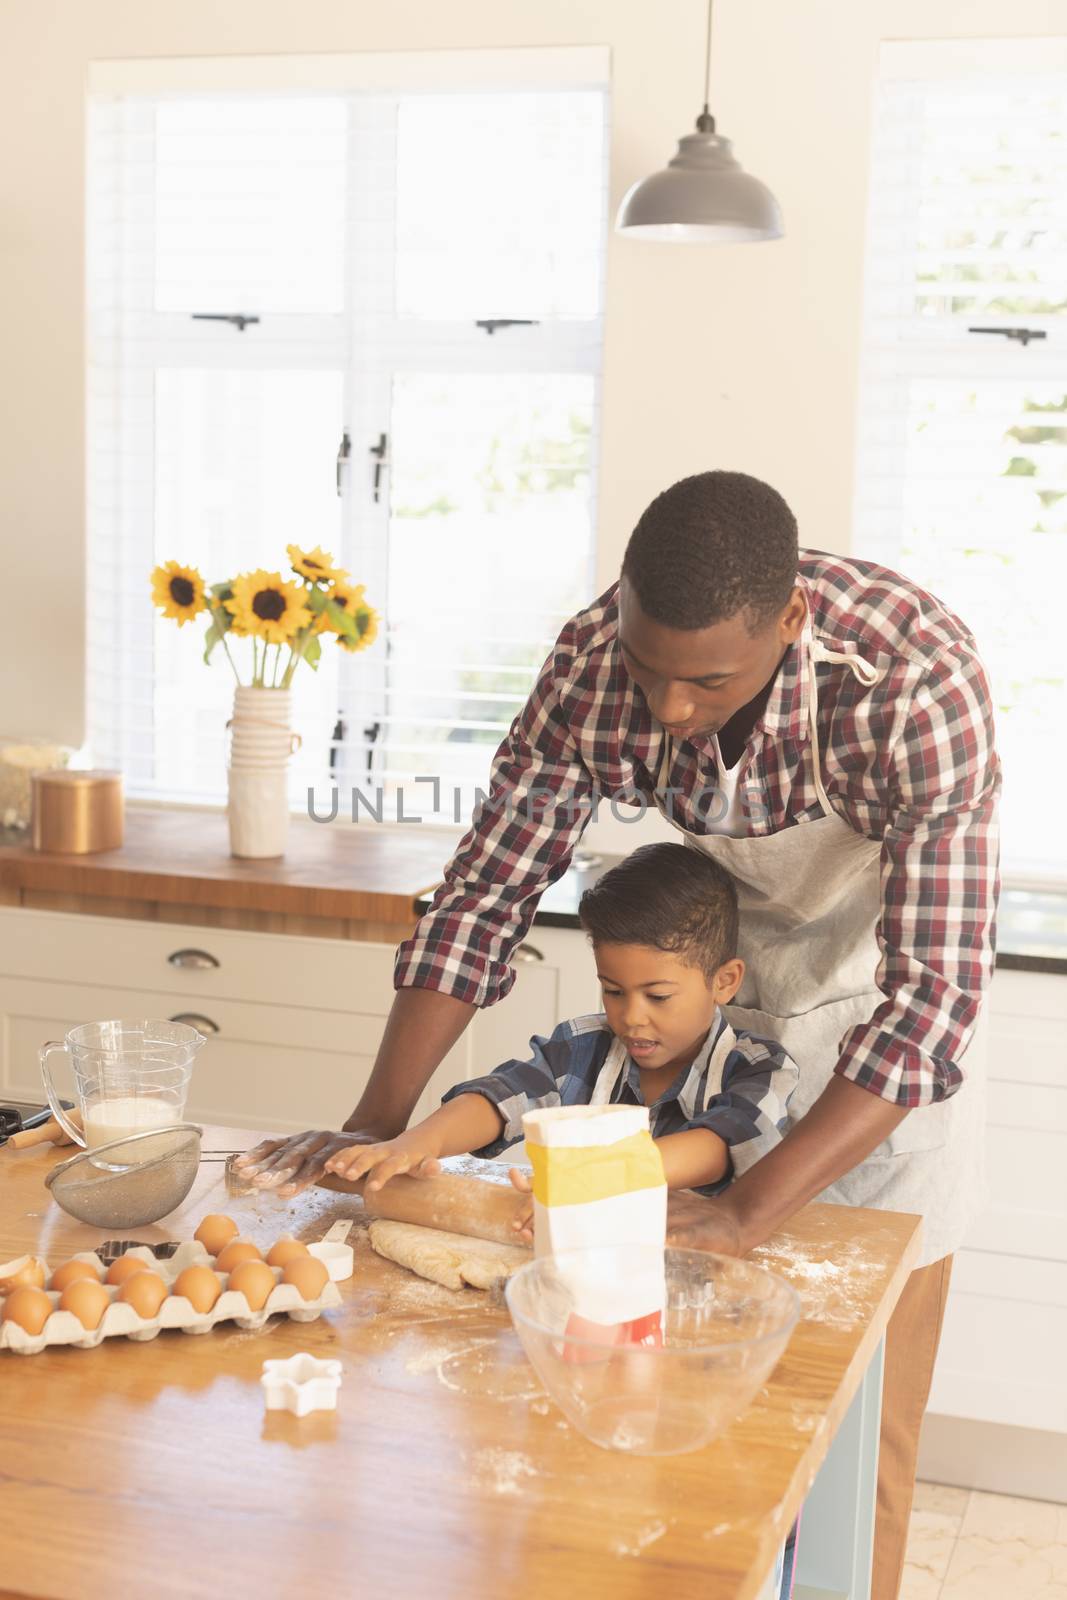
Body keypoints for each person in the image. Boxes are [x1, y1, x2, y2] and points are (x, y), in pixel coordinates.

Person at [236, 470, 1000, 1600]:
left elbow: (931, 996)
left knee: (855, 1439)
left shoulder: (911, 680)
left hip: (867, 1047)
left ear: (788, 623)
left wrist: (746, 1204)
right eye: (650, 673)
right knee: (691, 1427)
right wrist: (374, 1125)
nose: (670, 711)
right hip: (708, 1006)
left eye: (706, 680)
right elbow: (484, 899)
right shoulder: (593, 663)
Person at [322, 843, 798, 1222]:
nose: (631, 1017)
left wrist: (598, 1176)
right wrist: (418, 1142)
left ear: (724, 982)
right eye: (613, 991)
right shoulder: (581, 1050)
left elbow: (720, 1144)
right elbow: (500, 1098)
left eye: (657, 997)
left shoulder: (760, 1068)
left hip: (707, 1275)